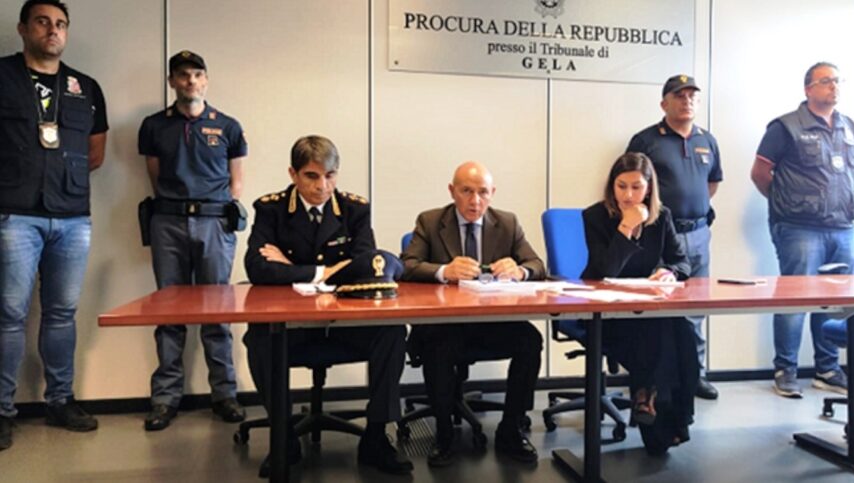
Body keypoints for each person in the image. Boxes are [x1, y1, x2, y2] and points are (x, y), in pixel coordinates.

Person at [243, 135, 412, 476]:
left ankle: (377, 437)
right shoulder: (271, 209)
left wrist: (291, 269)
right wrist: (327, 271)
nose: (322, 186)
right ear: (293, 174)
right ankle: (284, 438)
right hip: (292, 326)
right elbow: (258, 269)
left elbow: (366, 266)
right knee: (259, 338)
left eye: (330, 175)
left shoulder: (353, 209)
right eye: (312, 176)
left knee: (392, 331)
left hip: (344, 325)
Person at [0, 0, 108, 451]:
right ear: (24, 28)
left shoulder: (86, 86)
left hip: (71, 217)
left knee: (62, 313)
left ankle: (60, 400)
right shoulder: (3, 76)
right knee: (9, 316)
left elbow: (96, 153)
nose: (53, 30)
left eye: (61, 24)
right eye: (43, 22)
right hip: (15, 213)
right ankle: (2, 410)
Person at [401, 161, 546, 467]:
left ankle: (511, 429)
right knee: (438, 346)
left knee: (530, 341)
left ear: (492, 193)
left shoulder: (507, 223)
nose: (475, 200)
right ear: (452, 191)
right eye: (466, 191)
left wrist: (520, 271)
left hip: (492, 322)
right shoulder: (430, 221)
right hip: (445, 323)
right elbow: (406, 266)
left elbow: (537, 265)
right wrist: (443, 271)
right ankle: (444, 433)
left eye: (483, 192)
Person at [137, 50, 247, 430]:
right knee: (169, 312)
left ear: (206, 80)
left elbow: (236, 182)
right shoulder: (154, 126)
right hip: (168, 221)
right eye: (183, 75)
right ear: (172, 81)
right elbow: (154, 176)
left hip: (214, 222)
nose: (191, 81)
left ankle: (225, 394)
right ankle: (165, 398)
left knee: (217, 311)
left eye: (198, 74)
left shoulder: (228, 126)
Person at [751, 61, 854, 398]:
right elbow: (760, 173)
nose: (834, 86)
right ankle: (785, 370)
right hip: (799, 228)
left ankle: (827, 369)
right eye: (826, 81)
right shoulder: (785, 127)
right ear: (808, 89)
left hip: (843, 226)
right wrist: (786, 204)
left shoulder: (850, 127)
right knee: (795, 299)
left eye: (837, 81)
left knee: (832, 301)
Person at [581, 152, 698, 455]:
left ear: (649, 189)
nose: (629, 195)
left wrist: (669, 272)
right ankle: (664, 424)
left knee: (684, 333)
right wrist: (626, 228)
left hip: (646, 310)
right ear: (612, 186)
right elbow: (605, 270)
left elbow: (681, 262)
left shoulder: (662, 217)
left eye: (637, 187)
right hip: (604, 314)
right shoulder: (595, 217)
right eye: (621, 186)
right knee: (659, 332)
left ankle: (658, 406)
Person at [626, 74, 722, 401]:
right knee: (658, 308)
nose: (687, 101)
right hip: (661, 235)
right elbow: (632, 185)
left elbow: (711, 184)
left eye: (692, 96)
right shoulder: (646, 140)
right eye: (679, 96)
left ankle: (696, 375)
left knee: (697, 307)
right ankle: (653, 380)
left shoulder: (707, 140)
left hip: (698, 233)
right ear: (664, 103)